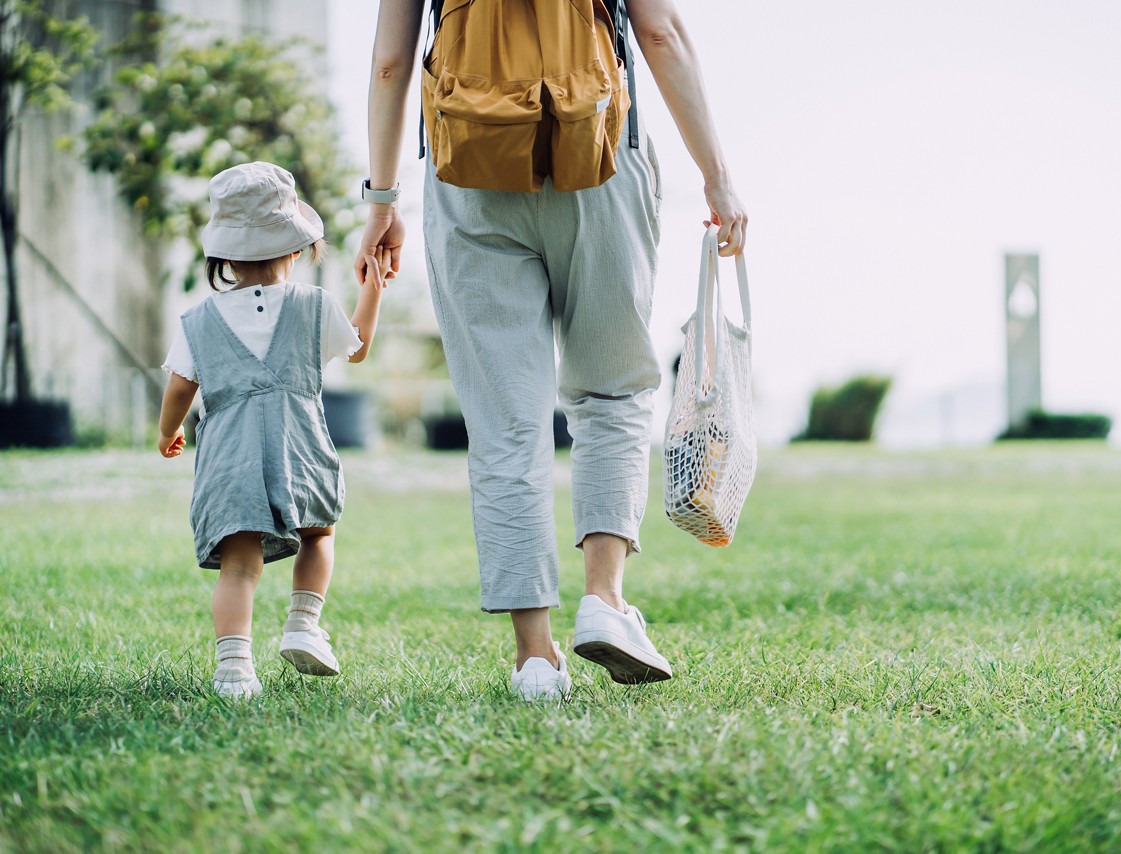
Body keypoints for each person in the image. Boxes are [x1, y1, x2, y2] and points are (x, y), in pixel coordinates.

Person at [357, 0, 747, 701]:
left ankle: (534, 658)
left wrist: (382, 201)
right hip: (597, 156)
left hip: (469, 175)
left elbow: (390, 62)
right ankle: (604, 599)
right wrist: (717, 178)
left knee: (507, 421)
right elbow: (659, 33)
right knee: (612, 388)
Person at [158, 161, 389, 698]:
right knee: (319, 532)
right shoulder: (314, 305)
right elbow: (358, 346)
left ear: (224, 255)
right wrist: (371, 290)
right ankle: (304, 624)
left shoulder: (199, 320)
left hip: (231, 460)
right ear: (295, 248)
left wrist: (168, 431)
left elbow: (178, 388)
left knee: (239, 567)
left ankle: (234, 668)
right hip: (300, 447)